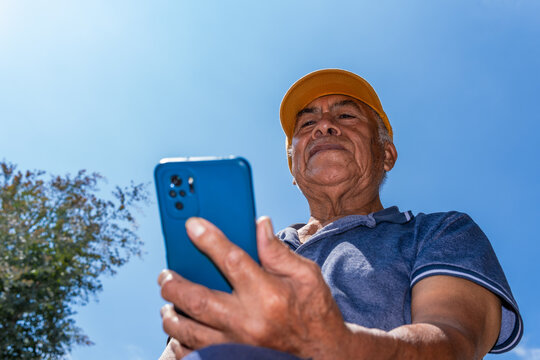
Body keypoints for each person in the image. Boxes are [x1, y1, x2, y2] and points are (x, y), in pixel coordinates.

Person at [157, 69, 523, 359]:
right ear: (293, 167)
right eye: (306, 124)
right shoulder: (247, 253)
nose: (324, 125)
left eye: (346, 115)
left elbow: (455, 342)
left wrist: (332, 344)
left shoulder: (439, 232)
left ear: (387, 154)